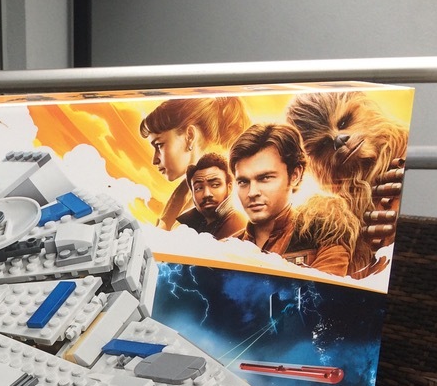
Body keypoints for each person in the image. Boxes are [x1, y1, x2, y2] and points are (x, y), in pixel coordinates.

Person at [229, 124, 351, 276]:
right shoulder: (224, 248)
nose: (252, 192)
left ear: (295, 175)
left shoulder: (324, 236)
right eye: (243, 182)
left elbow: (322, 290)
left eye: (265, 178)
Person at [140, 97, 250, 229]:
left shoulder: (230, 197)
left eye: (159, 145)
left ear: (190, 136)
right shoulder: (183, 192)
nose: (155, 160)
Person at [176, 152, 247, 239]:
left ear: (229, 187)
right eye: (198, 188)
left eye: (215, 185)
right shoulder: (189, 225)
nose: (206, 194)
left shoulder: (237, 222)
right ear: (192, 193)